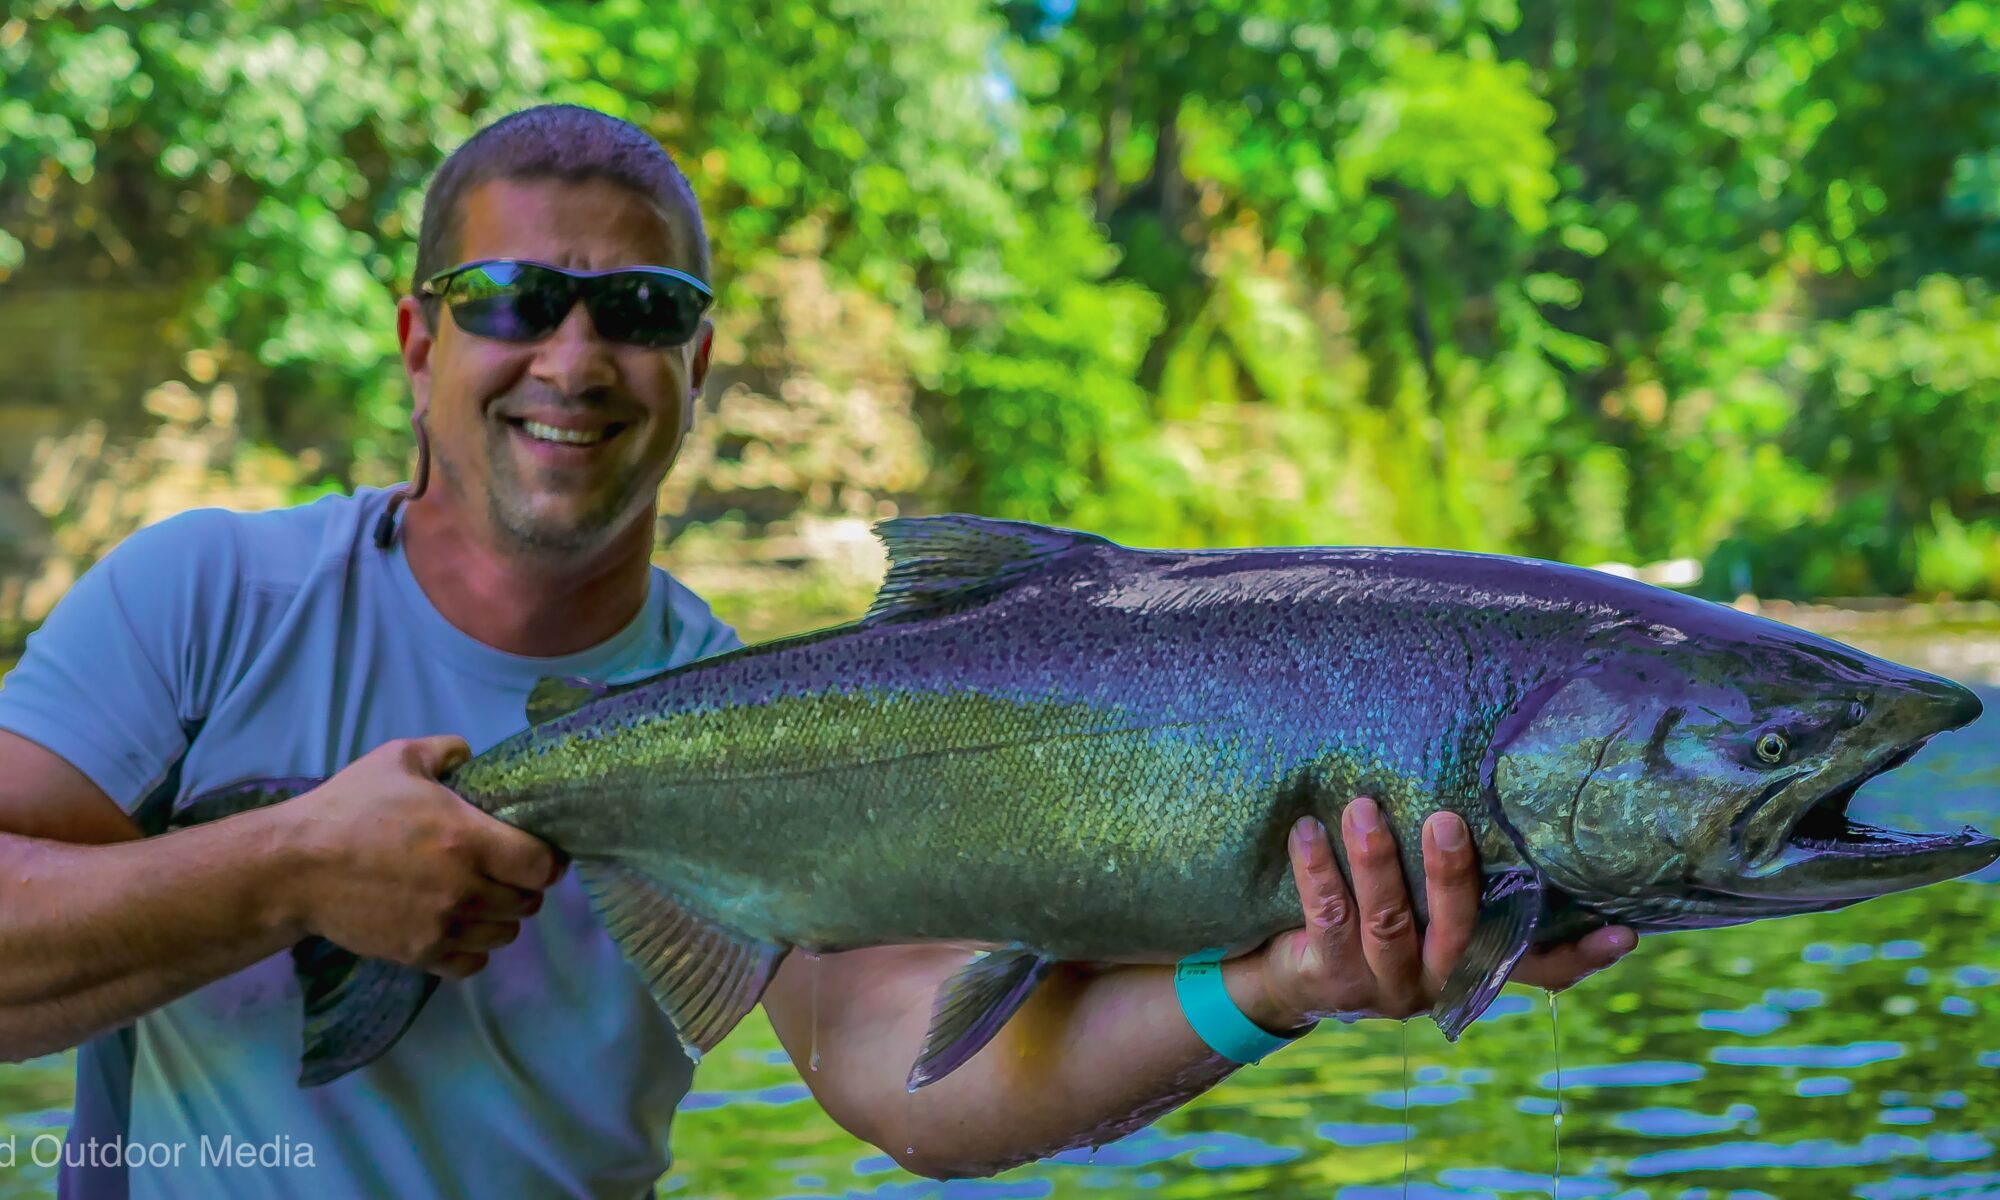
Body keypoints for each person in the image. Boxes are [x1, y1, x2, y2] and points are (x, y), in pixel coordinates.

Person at [0, 103, 1634, 1199]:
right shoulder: (201, 594)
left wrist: (1280, 983)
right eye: (511, 297)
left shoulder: (779, 718)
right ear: (420, 337)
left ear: (698, 363)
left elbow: (911, 1079)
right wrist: (288, 870)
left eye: (641, 309)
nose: (574, 355)